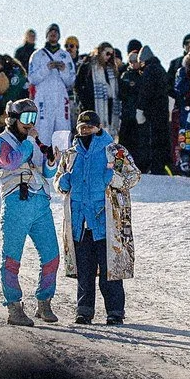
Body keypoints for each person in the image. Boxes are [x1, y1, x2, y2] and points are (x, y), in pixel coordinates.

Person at [55, 110, 140, 325]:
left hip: (106, 222)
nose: (85, 131)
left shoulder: (114, 151)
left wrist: (114, 178)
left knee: (109, 270)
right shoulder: (70, 154)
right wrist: (62, 183)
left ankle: (115, 312)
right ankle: (84, 311)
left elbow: (133, 176)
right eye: (81, 127)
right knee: (85, 270)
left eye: (89, 127)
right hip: (80, 222)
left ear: (98, 127)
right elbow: (58, 180)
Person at [0, 99, 59, 326]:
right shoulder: (1, 141)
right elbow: (11, 162)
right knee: (12, 258)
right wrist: (30, 141)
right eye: (25, 118)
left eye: (33, 118)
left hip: (40, 201)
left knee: (52, 256)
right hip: (16, 202)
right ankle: (14, 307)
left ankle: (44, 301)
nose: (30, 124)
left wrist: (52, 162)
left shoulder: (34, 141)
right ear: (12, 119)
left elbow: (47, 173)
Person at [27, 26, 77, 148]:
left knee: (62, 131)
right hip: (43, 98)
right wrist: (46, 68)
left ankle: (63, 159)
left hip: (61, 99)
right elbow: (32, 78)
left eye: (56, 32)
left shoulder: (65, 55)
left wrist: (63, 70)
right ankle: (39, 158)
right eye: (51, 32)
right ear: (47, 35)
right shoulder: (37, 55)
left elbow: (70, 81)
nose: (53, 34)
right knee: (42, 130)